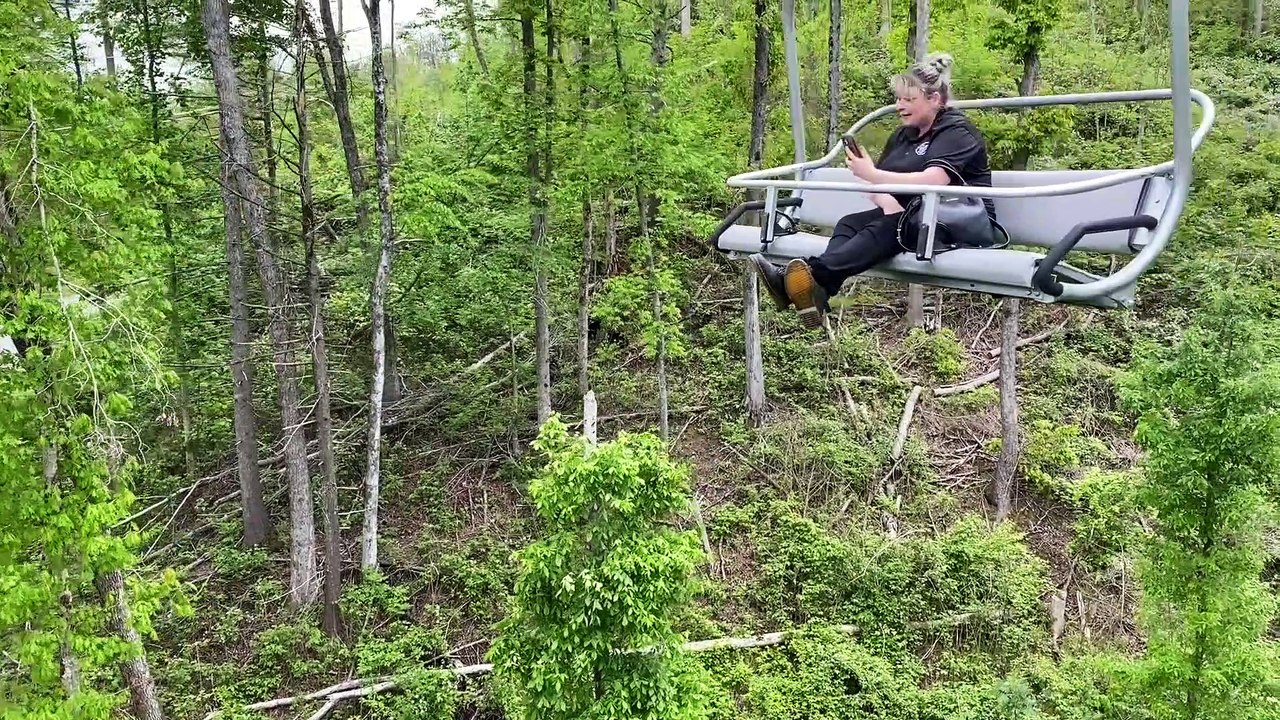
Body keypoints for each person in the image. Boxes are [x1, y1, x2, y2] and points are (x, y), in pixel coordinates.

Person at [751, 52, 998, 328]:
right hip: (914, 217)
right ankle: (818, 290)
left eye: (908, 100)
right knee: (850, 223)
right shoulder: (903, 136)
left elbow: (934, 180)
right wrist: (885, 198)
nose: (899, 106)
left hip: (959, 221)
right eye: (898, 99)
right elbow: (875, 183)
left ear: (934, 99)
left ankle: (809, 279)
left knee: (892, 226)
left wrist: (873, 175)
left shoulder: (957, 132)